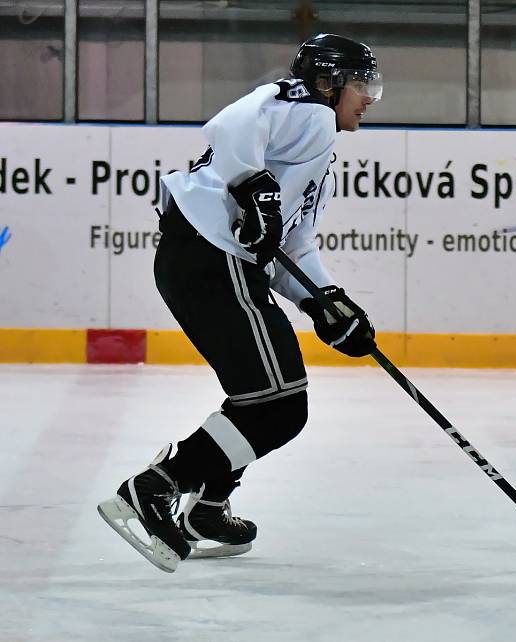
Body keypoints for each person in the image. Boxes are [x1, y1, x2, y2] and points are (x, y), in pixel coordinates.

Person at [97, 33, 382, 573]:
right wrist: (252, 183)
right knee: (280, 405)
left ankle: (206, 507)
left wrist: (326, 302)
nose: (368, 98)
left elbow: (290, 246)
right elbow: (231, 122)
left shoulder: (318, 155)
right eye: (362, 84)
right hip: (210, 258)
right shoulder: (308, 112)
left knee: (266, 400)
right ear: (327, 83)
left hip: (209, 262)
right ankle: (153, 490)